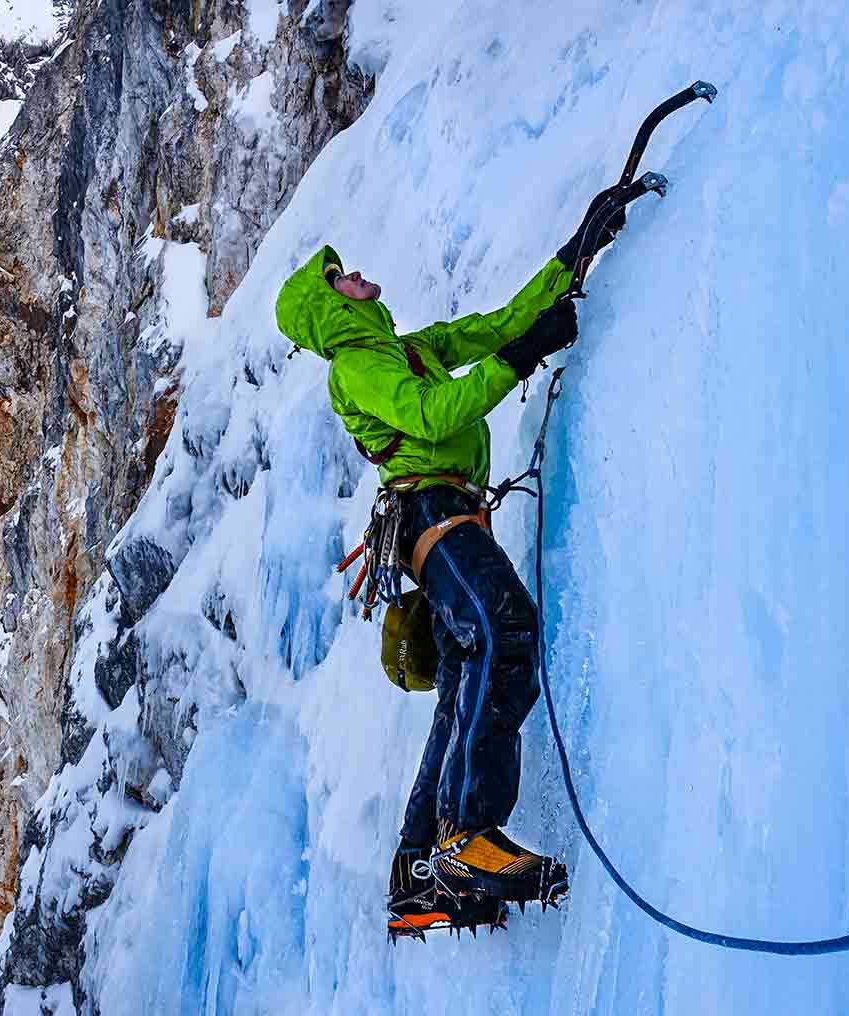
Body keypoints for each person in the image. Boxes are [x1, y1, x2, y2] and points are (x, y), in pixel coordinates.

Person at [275, 192, 627, 936]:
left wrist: (574, 254)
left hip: (442, 518)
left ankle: (417, 869)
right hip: (431, 514)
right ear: (327, 307)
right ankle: (465, 836)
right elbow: (437, 414)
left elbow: (496, 326)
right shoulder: (357, 366)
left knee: (469, 670)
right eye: (339, 276)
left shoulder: (410, 348)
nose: (356, 274)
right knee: (505, 631)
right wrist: (523, 356)